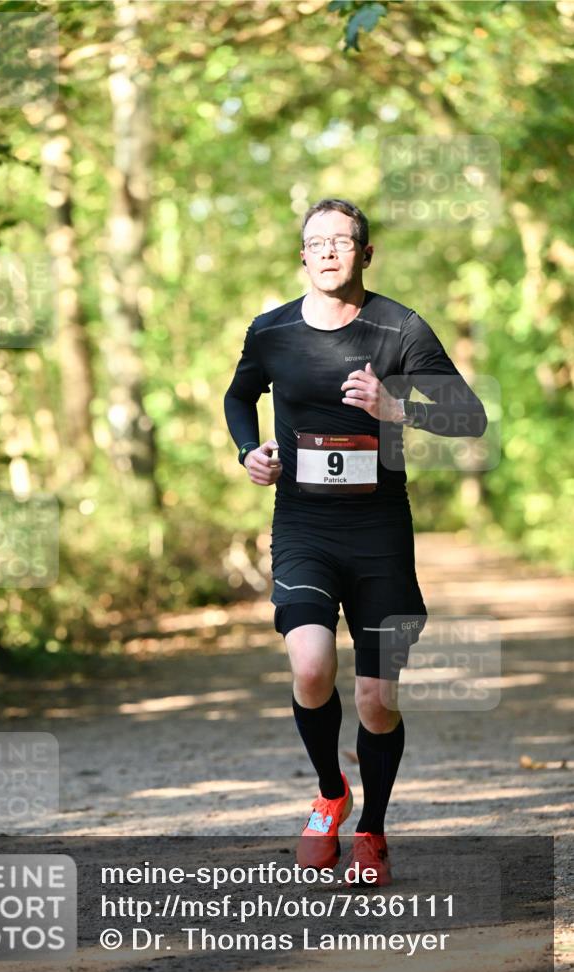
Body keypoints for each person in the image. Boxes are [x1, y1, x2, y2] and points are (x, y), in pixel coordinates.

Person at [223, 198, 487, 884]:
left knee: (376, 697)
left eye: (342, 241)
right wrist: (250, 451)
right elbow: (237, 396)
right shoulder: (272, 329)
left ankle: (371, 830)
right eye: (316, 242)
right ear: (302, 255)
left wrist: (394, 407)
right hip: (303, 524)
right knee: (309, 666)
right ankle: (330, 796)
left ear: (365, 254)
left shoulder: (399, 329)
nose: (328, 252)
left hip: (377, 532)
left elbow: (468, 417)